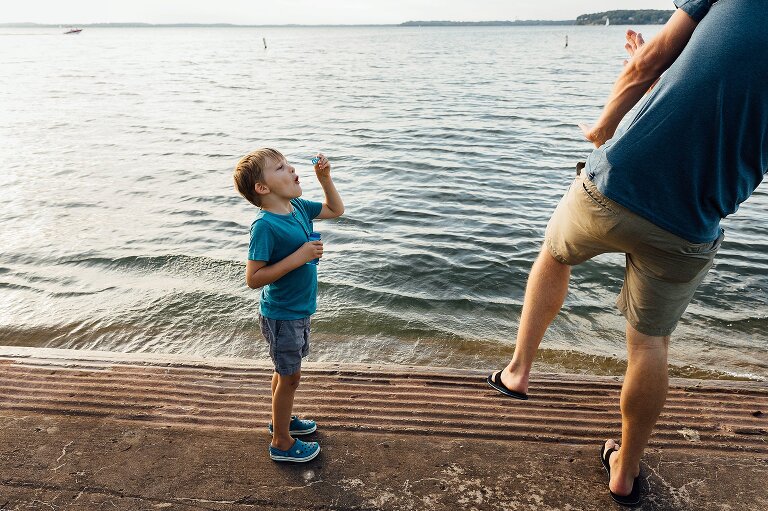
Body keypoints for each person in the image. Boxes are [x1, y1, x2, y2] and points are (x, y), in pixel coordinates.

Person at [488, 0, 767, 506]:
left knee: (554, 256)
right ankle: (625, 471)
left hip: (616, 185)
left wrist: (602, 127)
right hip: (694, 220)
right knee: (650, 345)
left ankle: (519, 372)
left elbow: (649, 62)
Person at [233, 148, 344, 462]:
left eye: (288, 164)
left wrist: (325, 179)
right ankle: (281, 441)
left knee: (284, 374)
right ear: (263, 188)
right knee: (291, 377)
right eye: (281, 167)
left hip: (297, 309)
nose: (292, 169)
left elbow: (335, 209)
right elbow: (254, 278)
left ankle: (278, 420)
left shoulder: (296, 207)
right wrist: (301, 256)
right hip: (282, 314)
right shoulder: (265, 226)